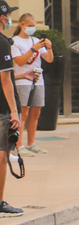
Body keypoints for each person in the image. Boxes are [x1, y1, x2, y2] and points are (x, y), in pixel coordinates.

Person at [10, 13, 53, 156]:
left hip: (38, 80)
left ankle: (31, 143)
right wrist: (33, 49)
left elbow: (49, 59)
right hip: (22, 80)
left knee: (36, 112)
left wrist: (49, 48)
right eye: (29, 26)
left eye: (33, 26)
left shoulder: (35, 40)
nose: (32, 28)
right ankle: (19, 144)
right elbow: (20, 61)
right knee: (23, 113)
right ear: (21, 25)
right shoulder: (14, 41)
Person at [0, 0, 24, 216]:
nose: (10, 20)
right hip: (2, 109)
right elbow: (5, 80)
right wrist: (14, 112)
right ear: (2, 17)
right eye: (8, 15)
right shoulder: (3, 42)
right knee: (1, 155)